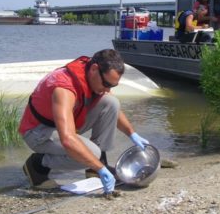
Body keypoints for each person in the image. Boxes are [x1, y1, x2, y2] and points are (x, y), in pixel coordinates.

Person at [18, 49, 149, 194]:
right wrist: (100, 167)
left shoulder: (94, 77)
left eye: (112, 86)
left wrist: (132, 134)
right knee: (91, 152)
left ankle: (94, 168)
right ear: (94, 69)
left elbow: (113, 110)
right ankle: (37, 165)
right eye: (106, 83)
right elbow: (67, 139)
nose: (107, 89)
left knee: (111, 102)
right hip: (38, 132)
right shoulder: (64, 88)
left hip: (65, 123)